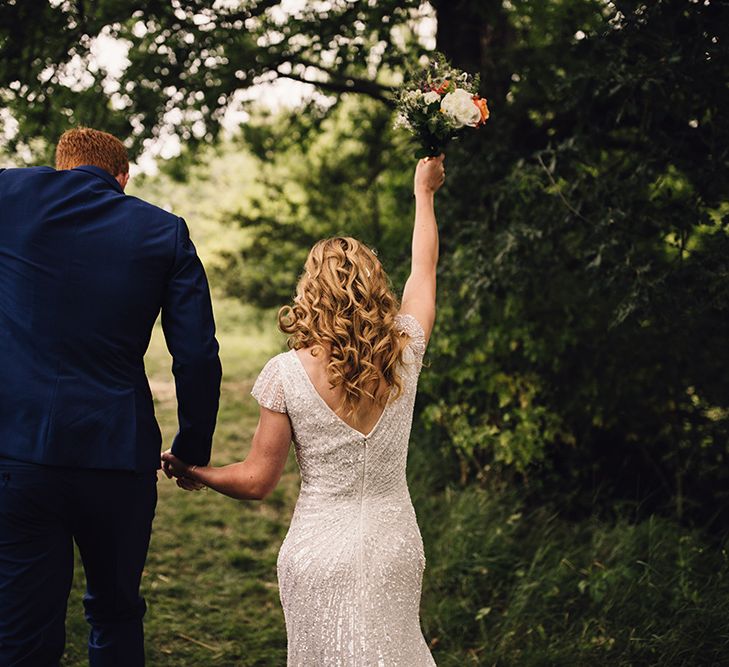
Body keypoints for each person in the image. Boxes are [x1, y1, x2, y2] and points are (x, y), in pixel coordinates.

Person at [162, 154, 446, 665]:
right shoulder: (404, 349)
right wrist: (423, 194)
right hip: (395, 545)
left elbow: (257, 481)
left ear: (310, 291)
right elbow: (424, 270)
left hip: (316, 553)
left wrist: (196, 471)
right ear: (374, 284)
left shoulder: (286, 373)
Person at [0, 127, 221, 666]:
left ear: (60, 165)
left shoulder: (9, 197)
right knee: (116, 613)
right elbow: (195, 355)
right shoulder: (164, 231)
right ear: (123, 178)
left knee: (23, 629)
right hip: (116, 455)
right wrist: (191, 448)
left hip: (18, 452)